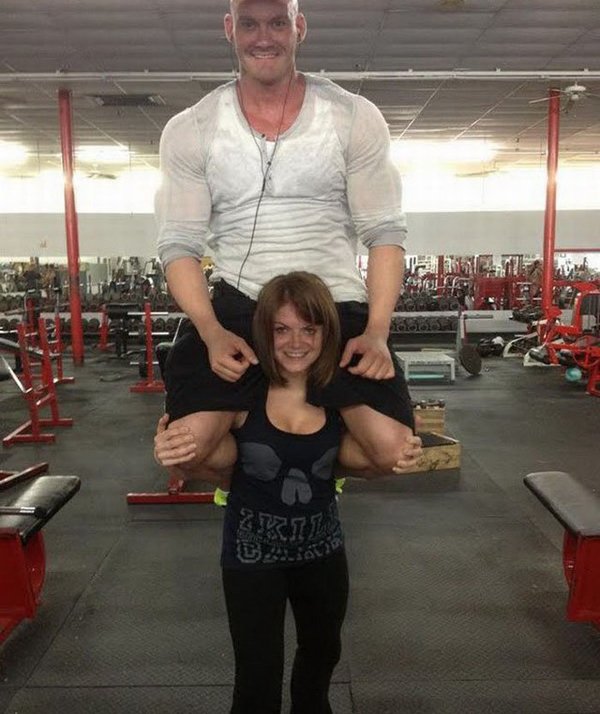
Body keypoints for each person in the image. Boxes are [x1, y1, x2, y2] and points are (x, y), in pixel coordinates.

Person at [155, 0, 416, 488]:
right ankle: (257, 457)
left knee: (394, 453)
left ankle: (312, 459)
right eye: (250, 24)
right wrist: (210, 331)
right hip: (241, 303)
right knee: (183, 451)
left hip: (333, 303)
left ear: (299, 28)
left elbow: (384, 234)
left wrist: (378, 330)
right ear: (230, 29)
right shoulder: (192, 128)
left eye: (278, 23)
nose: (264, 37)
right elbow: (179, 246)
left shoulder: (353, 117)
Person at [154, 272, 422, 714]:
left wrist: (398, 460)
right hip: (251, 558)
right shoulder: (241, 399)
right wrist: (168, 449)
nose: (295, 342)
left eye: (308, 329)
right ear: (264, 331)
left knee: (319, 667)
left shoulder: (337, 400)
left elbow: (365, 465)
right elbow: (206, 462)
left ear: (325, 333)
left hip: (322, 553)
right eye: (281, 329)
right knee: (257, 681)